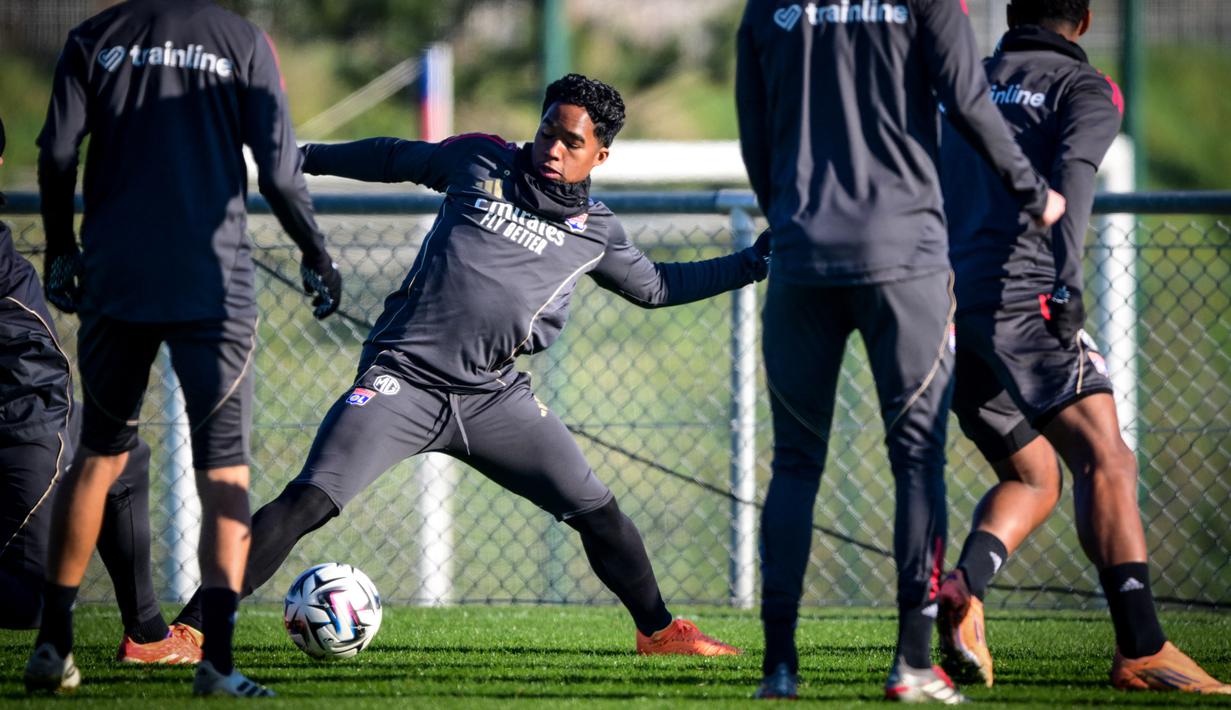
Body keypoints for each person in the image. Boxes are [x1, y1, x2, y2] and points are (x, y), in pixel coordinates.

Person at [164, 73, 765, 659]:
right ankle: (191, 633)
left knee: (600, 514)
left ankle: (659, 633)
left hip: (493, 398)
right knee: (308, 500)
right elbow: (394, 156)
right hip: (404, 379)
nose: (552, 149)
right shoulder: (481, 161)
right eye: (547, 131)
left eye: (571, 142)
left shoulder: (596, 232)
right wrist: (299, 157)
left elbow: (657, 286)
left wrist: (753, 262)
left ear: (599, 156)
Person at [736, 0, 1067, 701]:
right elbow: (970, 105)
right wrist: (1032, 192)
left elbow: (754, 135)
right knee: (915, 462)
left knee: (794, 464)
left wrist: (791, 223)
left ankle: (778, 670)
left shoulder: (767, 7)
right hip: (905, 260)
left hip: (801, 260)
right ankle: (912, 664)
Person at [27, 0, 341, 697]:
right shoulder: (242, 41)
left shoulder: (94, 37)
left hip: (117, 277)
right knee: (223, 471)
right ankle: (218, 663)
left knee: (99, 456)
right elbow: (281, 173)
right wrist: (315, 252)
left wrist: (61, 248)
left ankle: (53, 644)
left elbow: (53, 152)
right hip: (212, 285)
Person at [936, 0, 1231, 695]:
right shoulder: (1083, 88)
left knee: (1034, 475)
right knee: (1107, 458)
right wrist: (1065, 287)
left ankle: (963, 589)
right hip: (1025, 297)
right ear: (1087, 20)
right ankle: (1141, 647)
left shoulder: (965, 81)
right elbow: (1072, 180)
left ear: (1011, 13)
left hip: (949, 306)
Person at [0, 114, 199, 665]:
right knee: (32, 607)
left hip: (39, 406)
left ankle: (147, 634)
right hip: (26, 418)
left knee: (126, 454)